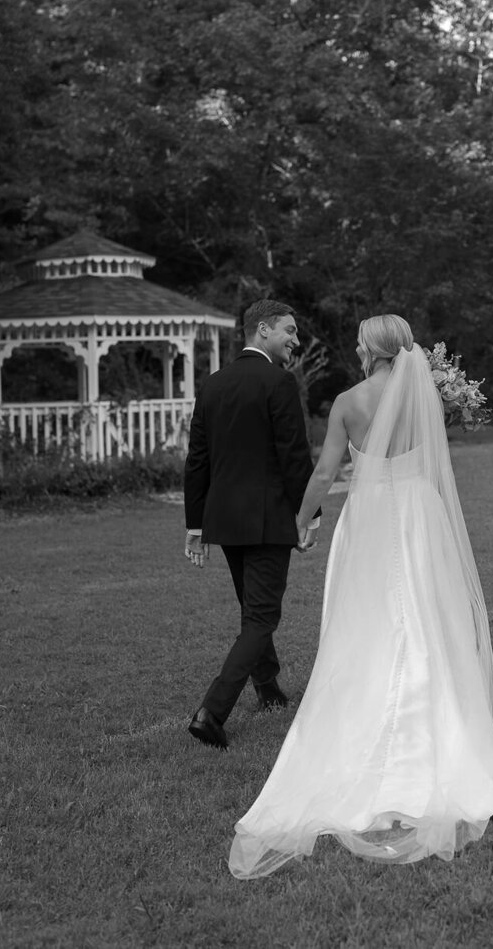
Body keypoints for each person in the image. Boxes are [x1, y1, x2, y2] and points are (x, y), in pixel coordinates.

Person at [229, 314, 493, 877]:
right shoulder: (426, 399)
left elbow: (323, 473)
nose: (356, 348)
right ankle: (439, 723)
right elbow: (436, 466)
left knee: (367, 622)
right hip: (420, 516)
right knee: (428, 615)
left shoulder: (347, 402)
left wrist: (304, 519)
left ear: (369, 348)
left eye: (359, 342)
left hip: (370, 520)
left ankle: (373, 722)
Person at [183, 298, 319, 750]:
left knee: (252, 612)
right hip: (266, 521)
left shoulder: (214, 384)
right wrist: (310, 516)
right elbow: (294, 458)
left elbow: (197, 460)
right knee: (261, 617)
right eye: (289, 330)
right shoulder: (279, 382)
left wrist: (196, 523)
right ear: (262, 330)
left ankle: (268, 689)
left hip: (224, 521)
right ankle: (212, 712)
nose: (295, 341)